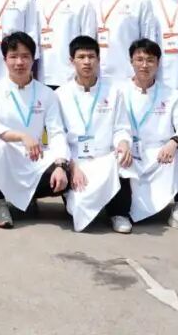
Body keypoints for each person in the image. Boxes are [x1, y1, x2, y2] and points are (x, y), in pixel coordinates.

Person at [0, 32, 69, 229]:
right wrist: (22, 136)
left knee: (67, 173)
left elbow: (56, 132)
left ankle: (29, 197)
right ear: (5, 60)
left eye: (25, 56)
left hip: (36, 157)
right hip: (7, 154)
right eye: (13, 57)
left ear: (33, 59)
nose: (19, 62)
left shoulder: (47, 93)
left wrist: (60, 165)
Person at [115, 39, 178, 236]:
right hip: (129, 148)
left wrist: (174, 142)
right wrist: (122, 143)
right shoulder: (118, 91)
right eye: (139, 60)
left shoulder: (171, 94)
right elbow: (113, 125)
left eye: (150, 60)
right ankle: (120, 213)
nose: (144, 65)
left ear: (158, 62)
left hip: (160, 153)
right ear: (131, 61)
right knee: (116, 155)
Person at [57, 36, 134, 233]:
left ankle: (119, 213)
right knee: (78, 210)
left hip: (104, 156)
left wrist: (123, 142)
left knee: (122, 159)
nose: (87, 62)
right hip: (76, 159)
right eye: (81, 57)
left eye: (91, 57)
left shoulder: (113, 91)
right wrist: (71, 166)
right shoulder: (60, 94)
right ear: (71, 60)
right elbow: (58, 135)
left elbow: (121, 127)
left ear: (99, 60)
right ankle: (71, 196)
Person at [88, 0, 153, 82]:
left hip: (128, 72)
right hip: (97, 72)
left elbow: (148, 38)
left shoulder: (141, 0)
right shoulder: (94, 0)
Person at [35, 0, 96, 90]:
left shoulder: (82, 2)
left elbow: (89, 40)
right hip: (43, 73)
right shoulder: (39, 2)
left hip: (70, 75)